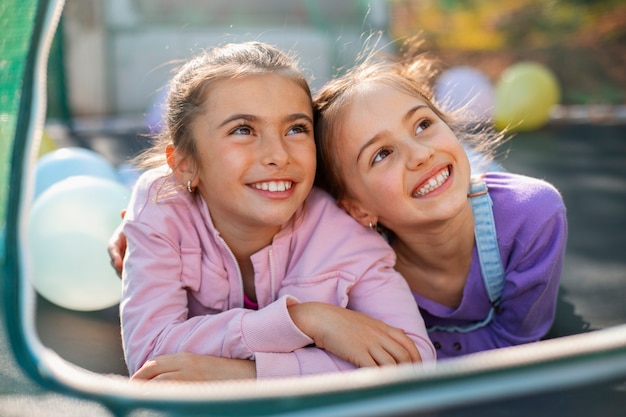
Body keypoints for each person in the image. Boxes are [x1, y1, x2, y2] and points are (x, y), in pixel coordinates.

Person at [117, 41, 435, 381]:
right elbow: (150, 358)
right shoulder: (161, 205)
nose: (278, 155)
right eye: (243, 130)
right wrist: (306, 321)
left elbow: (413, 366)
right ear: (184, 165)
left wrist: (246, 377)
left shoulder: (344, 236)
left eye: (296, 129)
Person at [312, 40, 567, 359]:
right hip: (443, 178)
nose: (420, 154)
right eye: (382, 154)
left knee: (467, 164)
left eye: (423, 124)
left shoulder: (532, 215)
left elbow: (518, 341)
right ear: (358, 209)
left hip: (475, 175)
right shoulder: (355, 264)